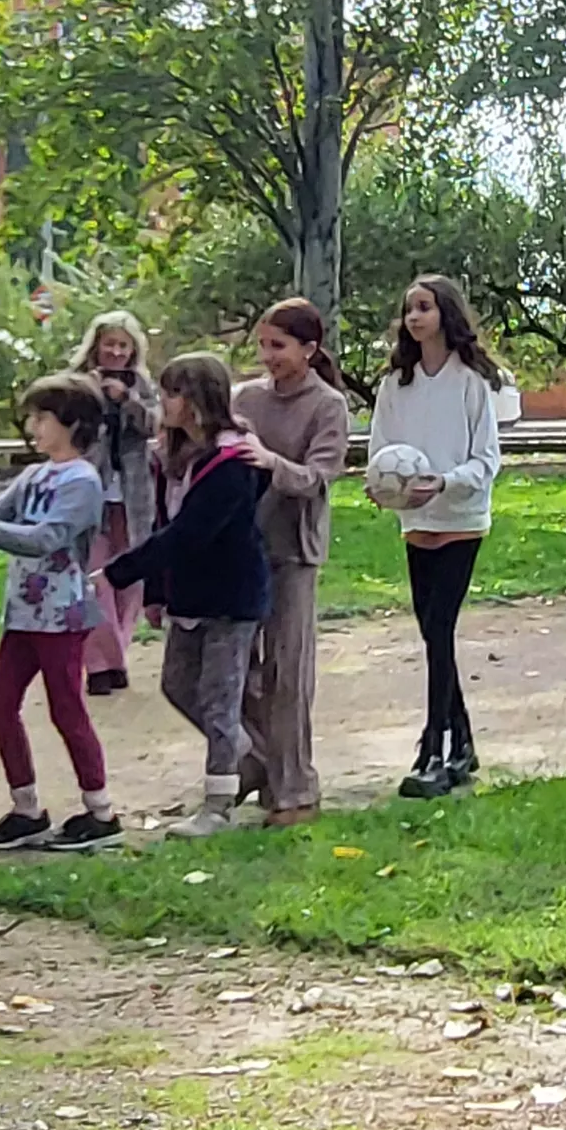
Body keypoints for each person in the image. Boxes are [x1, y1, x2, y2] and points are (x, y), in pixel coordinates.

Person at [105, 353, 274, 838]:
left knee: (220, 698)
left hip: (230, 595)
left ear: (199, 400)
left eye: (172, 394)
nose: (164, 403)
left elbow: (190, 533)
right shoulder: (172, 458)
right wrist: (156, 593)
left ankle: (218, 804)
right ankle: (249, 758)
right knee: (178, 685)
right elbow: (163, 523)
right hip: (189, 595)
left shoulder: (232, 460)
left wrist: (123, 572)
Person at [0, 374, 120, 850]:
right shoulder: (35, 474)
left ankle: (100, 810)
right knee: (0, 704)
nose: (32, 425)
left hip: (61, 614)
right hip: (23, 613)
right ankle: (26, 807)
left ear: (71, 423)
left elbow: (44, 539)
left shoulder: (82, 481)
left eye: (42, 416)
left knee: (66, 708)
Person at [369, 275, 506, 793]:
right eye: (409, 310)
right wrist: (385, 488)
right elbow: (383, 449)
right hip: (415, 520)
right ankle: (463, 743)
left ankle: (435, 748)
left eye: (424, 307)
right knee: (432, 632)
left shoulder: (472, 381)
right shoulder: (394, 385)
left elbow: (486, 460)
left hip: (461, 519)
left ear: (445, 314)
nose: (415, 317)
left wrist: (444, 483)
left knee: (439, 628)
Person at [236, 298, 348, 826]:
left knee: (288, 672)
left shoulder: (328, 406)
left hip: (294, 550)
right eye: (262, 345)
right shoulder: (246, 399)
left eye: (278, 346)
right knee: (232, 668)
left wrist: (271, 462)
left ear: (309, 349)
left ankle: (296, 790)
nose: (267, 356)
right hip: (240, 550)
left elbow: (320, 477)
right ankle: (258, 760)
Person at [72, 310, 164, 694]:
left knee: (129, 578)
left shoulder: (142, 384)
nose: (115, 352)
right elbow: (66, 430)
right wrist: (93, 397)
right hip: (89, 492)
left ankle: (117, 655)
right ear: (96, 346)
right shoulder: (75, 383)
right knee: (94, 578)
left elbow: (155, 425)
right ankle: (99, 665)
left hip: (130, 494)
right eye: (109, 343)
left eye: (123, 345)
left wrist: (126, 399)